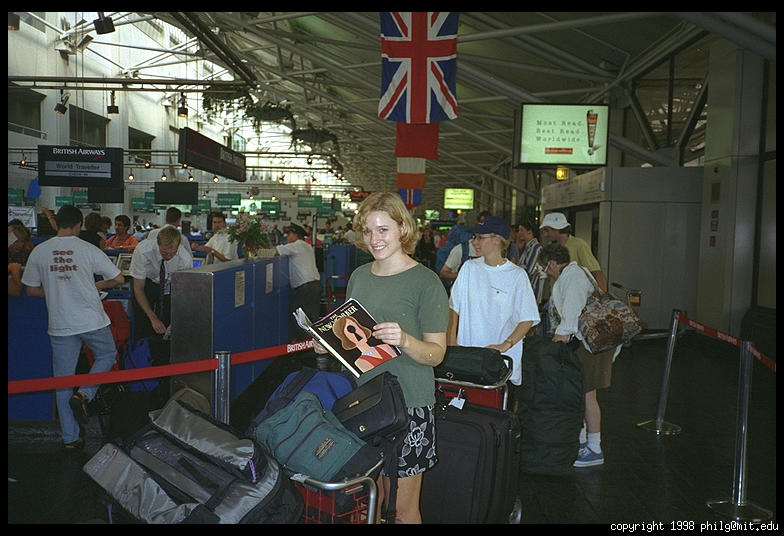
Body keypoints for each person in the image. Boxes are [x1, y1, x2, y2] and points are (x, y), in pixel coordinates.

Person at [315, 191, 448, 524]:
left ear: (403, 228)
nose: (374, 239)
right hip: (363, 402)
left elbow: (436, 353)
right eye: (368, 230)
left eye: (383, 229)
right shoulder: (360, 277)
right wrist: (330, 345)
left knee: (402, 510)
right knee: (370, 503)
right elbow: (356, 343)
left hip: (409, 406)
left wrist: (404, 340)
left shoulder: (426, 282)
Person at [20, 205, 125, 450]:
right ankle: (85, 394)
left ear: (57, 223)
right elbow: (119, 278)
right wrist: (99, 286)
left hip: (60, 323)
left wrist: (56, 291)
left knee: (63, 382)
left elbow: (32, 290)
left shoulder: (40, 251)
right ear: (78, 225)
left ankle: (70, 438)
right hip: (91, 320)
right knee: (107, 355)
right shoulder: (87, 249)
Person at [539, 243, 621, 468]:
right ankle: (583, 441)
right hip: (589, 344)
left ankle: (595, 449)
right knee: (582, 394)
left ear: (553, 263)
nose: (546, 272)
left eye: (545, 267)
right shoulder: (574, 274)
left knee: (587, 396)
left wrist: (559, 336)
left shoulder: (573, 277)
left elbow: (571, 316)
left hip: (592, 346)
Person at [447, 215, 540, 397]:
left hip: (501, 363)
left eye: (480, 237)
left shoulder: (517, 276)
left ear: (498, 240)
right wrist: (452, 344)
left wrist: (505, 345)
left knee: (495, 409)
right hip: (468, 359)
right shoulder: (468, 268)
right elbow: (453, 308)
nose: (474, 242)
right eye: (474, 237)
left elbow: (527, 318)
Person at [129, 225, 193, 378]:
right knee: (143, 324)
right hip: (147, 284)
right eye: (164, 253)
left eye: (172, 253)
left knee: (167, 328)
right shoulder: (143, 251)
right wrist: (152, 318)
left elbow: (183, 293)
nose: (169, 257)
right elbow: (138, 288)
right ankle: (140, 366)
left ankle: (164, 369)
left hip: (170, 286)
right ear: (158, 244)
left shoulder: (185, 259)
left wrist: (175, 318)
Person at [274, 223, 321, 341]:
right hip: (315, 286)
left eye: (289, 234)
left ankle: (304, 347)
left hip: (305, 288)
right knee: (311, 318)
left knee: (299, 318)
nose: (287, 237)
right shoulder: (307, 246)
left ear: (295, 235)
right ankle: (314, 346)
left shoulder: (296, 246)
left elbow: (275, 251)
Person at [539, 212, 607, 292]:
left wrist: (602, 295)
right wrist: (547, 274)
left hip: (574, 295)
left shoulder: (579, 244)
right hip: (558, 294)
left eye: (547, 230)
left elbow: (596, 272)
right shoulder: (553, 247)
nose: (545, 234)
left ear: (557, 229)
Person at [332, 315, 398, 373]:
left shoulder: (385, 347)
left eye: (355, 327)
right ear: (345, 338)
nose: (356, 333)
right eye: (350, 330)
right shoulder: (360, 362)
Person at [515, 220, 547, 307]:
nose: (519, 233)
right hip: (526, 290)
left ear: (529, 232)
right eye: (518, 230)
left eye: (521, 230)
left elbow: (528, 271)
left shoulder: (535, 248)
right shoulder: (527, 247)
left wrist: (516, 266)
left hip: (533, 290)